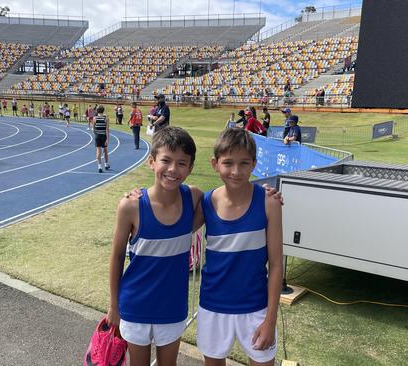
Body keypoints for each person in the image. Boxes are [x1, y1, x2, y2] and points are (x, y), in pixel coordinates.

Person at [108, 126, 203, 366]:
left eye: (182, 163)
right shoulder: (130, 206)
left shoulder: (194, 197)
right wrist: (114, 307)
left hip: (171, 308)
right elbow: (117, 257)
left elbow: (228, 199)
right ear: (151, 162)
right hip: (135, 306)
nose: (173, 169)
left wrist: (264, 194)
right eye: (166, 160)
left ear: (190, 167)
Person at [198, 128, 283, 366]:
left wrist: (270, 320)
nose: (236, 171)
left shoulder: (269, 203)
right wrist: (138, 196)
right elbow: (170, 214)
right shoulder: (206, 201)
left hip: (256, 308)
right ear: (215, 164)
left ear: (254, 164)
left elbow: (276, 265)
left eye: (244, 163)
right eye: (228, 163)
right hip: (213, 306)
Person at [93, 105, 111, 173]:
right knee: (105, 150)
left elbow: (94, 128)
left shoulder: (95, 118)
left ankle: (99, 166)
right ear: (103, 110)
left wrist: (96, 134)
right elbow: (107, 129)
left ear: (97, 110)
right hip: (104, 136)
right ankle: (106, 164)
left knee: (98, 151)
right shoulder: (106, 118)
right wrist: (107, 139)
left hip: (97, 136)